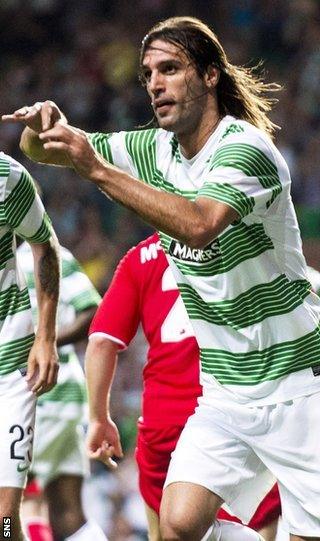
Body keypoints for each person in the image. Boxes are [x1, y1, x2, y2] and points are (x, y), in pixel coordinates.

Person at [3, 15, 320, 541]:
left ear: (210, 75)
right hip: (225, 392)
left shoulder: (245, 150)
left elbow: (199, 226)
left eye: (170, 69)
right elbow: (47, 151)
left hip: (298, 384)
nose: (154, 83)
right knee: (177, 525)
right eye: (148, 73)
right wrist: (41, 131)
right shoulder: (155, 150)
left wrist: (99, 171)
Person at [86, 231, 281, 541]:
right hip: (236, 417)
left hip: (163, 424)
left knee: (167, 533)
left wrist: (98, 417)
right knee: (255, 526)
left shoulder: (140, 257)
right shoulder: (242, 241)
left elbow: (100, 343)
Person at [18, 241, 107, 541]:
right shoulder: (53, 253)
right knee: (67, 511)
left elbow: (94, 313)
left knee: (15, 507)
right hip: (65, 399)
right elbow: (93, 311)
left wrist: (44, 345)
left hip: (32, 402)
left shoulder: (35, 257)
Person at [0, 151, 59, 541]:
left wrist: (46, 336)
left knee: (3, 521)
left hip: (11, 367)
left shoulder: (7, 177)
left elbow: (44, 245)